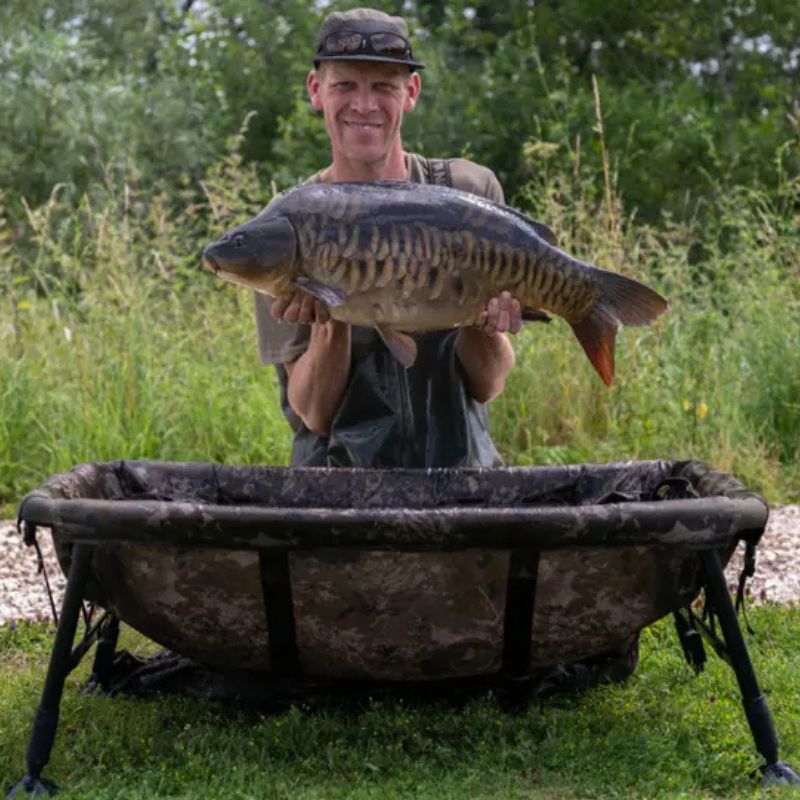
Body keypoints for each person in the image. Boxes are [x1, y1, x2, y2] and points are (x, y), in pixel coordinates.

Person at [254, 7, 523, 468]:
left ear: (410, 92)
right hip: (336, 482)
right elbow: (315, 413)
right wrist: (332, 313)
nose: (364, 105)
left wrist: (482, 320)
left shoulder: (468, 194)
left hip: (459, 476)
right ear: (316, 89)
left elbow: (488, 385)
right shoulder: (284, 228)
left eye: (383, 86)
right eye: (345, 85)